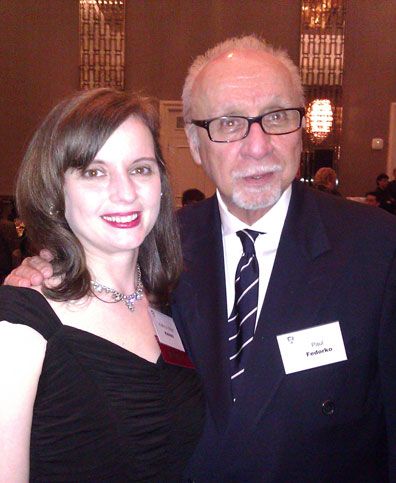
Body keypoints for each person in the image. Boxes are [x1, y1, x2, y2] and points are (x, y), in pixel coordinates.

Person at [6, 36, 396, 482]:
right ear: (194, 144)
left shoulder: (378, 249)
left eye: (277, 117)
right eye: (229, 123)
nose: (257, 145)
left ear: (300, 129)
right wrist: (47, 268)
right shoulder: (158, 245)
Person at [0, 88, 204, 481]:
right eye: (94, 172)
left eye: (140, 168)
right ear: (55, 191)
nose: (125, 192)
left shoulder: (170, 299)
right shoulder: (21, 326)